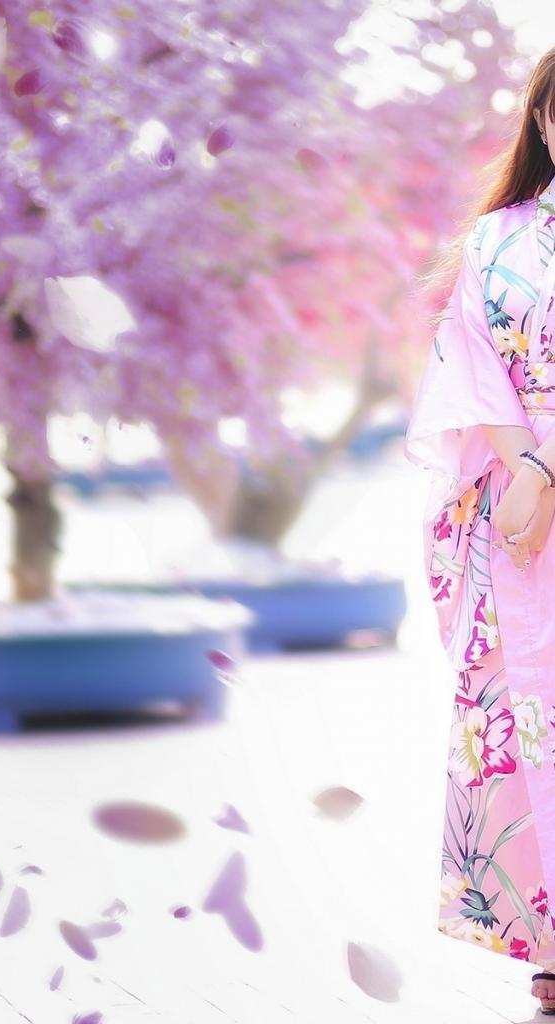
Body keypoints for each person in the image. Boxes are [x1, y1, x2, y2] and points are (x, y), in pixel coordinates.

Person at [404, 47, 555, 1016]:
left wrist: (544, 466)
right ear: (543, 124)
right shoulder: (497, 242)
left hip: (535, 479)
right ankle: (553, 937)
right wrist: (526, 466)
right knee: (532, 717)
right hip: (523, 511)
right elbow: (471, 362)